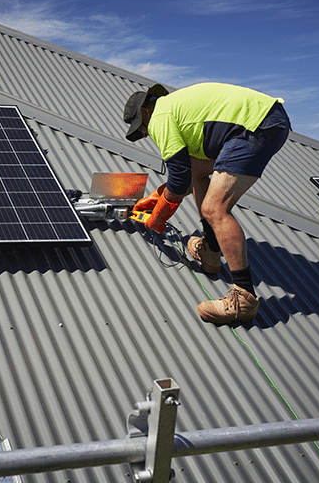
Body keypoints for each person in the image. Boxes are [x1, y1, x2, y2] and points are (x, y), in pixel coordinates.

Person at [123, 82, 290, 324]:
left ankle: (243, 298)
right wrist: (156, 198)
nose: (147, 133)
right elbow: (188, 174)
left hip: (256, 127)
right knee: (197, 172)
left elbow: (179, 182)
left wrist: (158, 219)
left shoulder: (160, 117)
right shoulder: (177, 110)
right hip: (262, 121)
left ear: (145, 113)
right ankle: (211, 253)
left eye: (143, 128)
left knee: (215, 208)